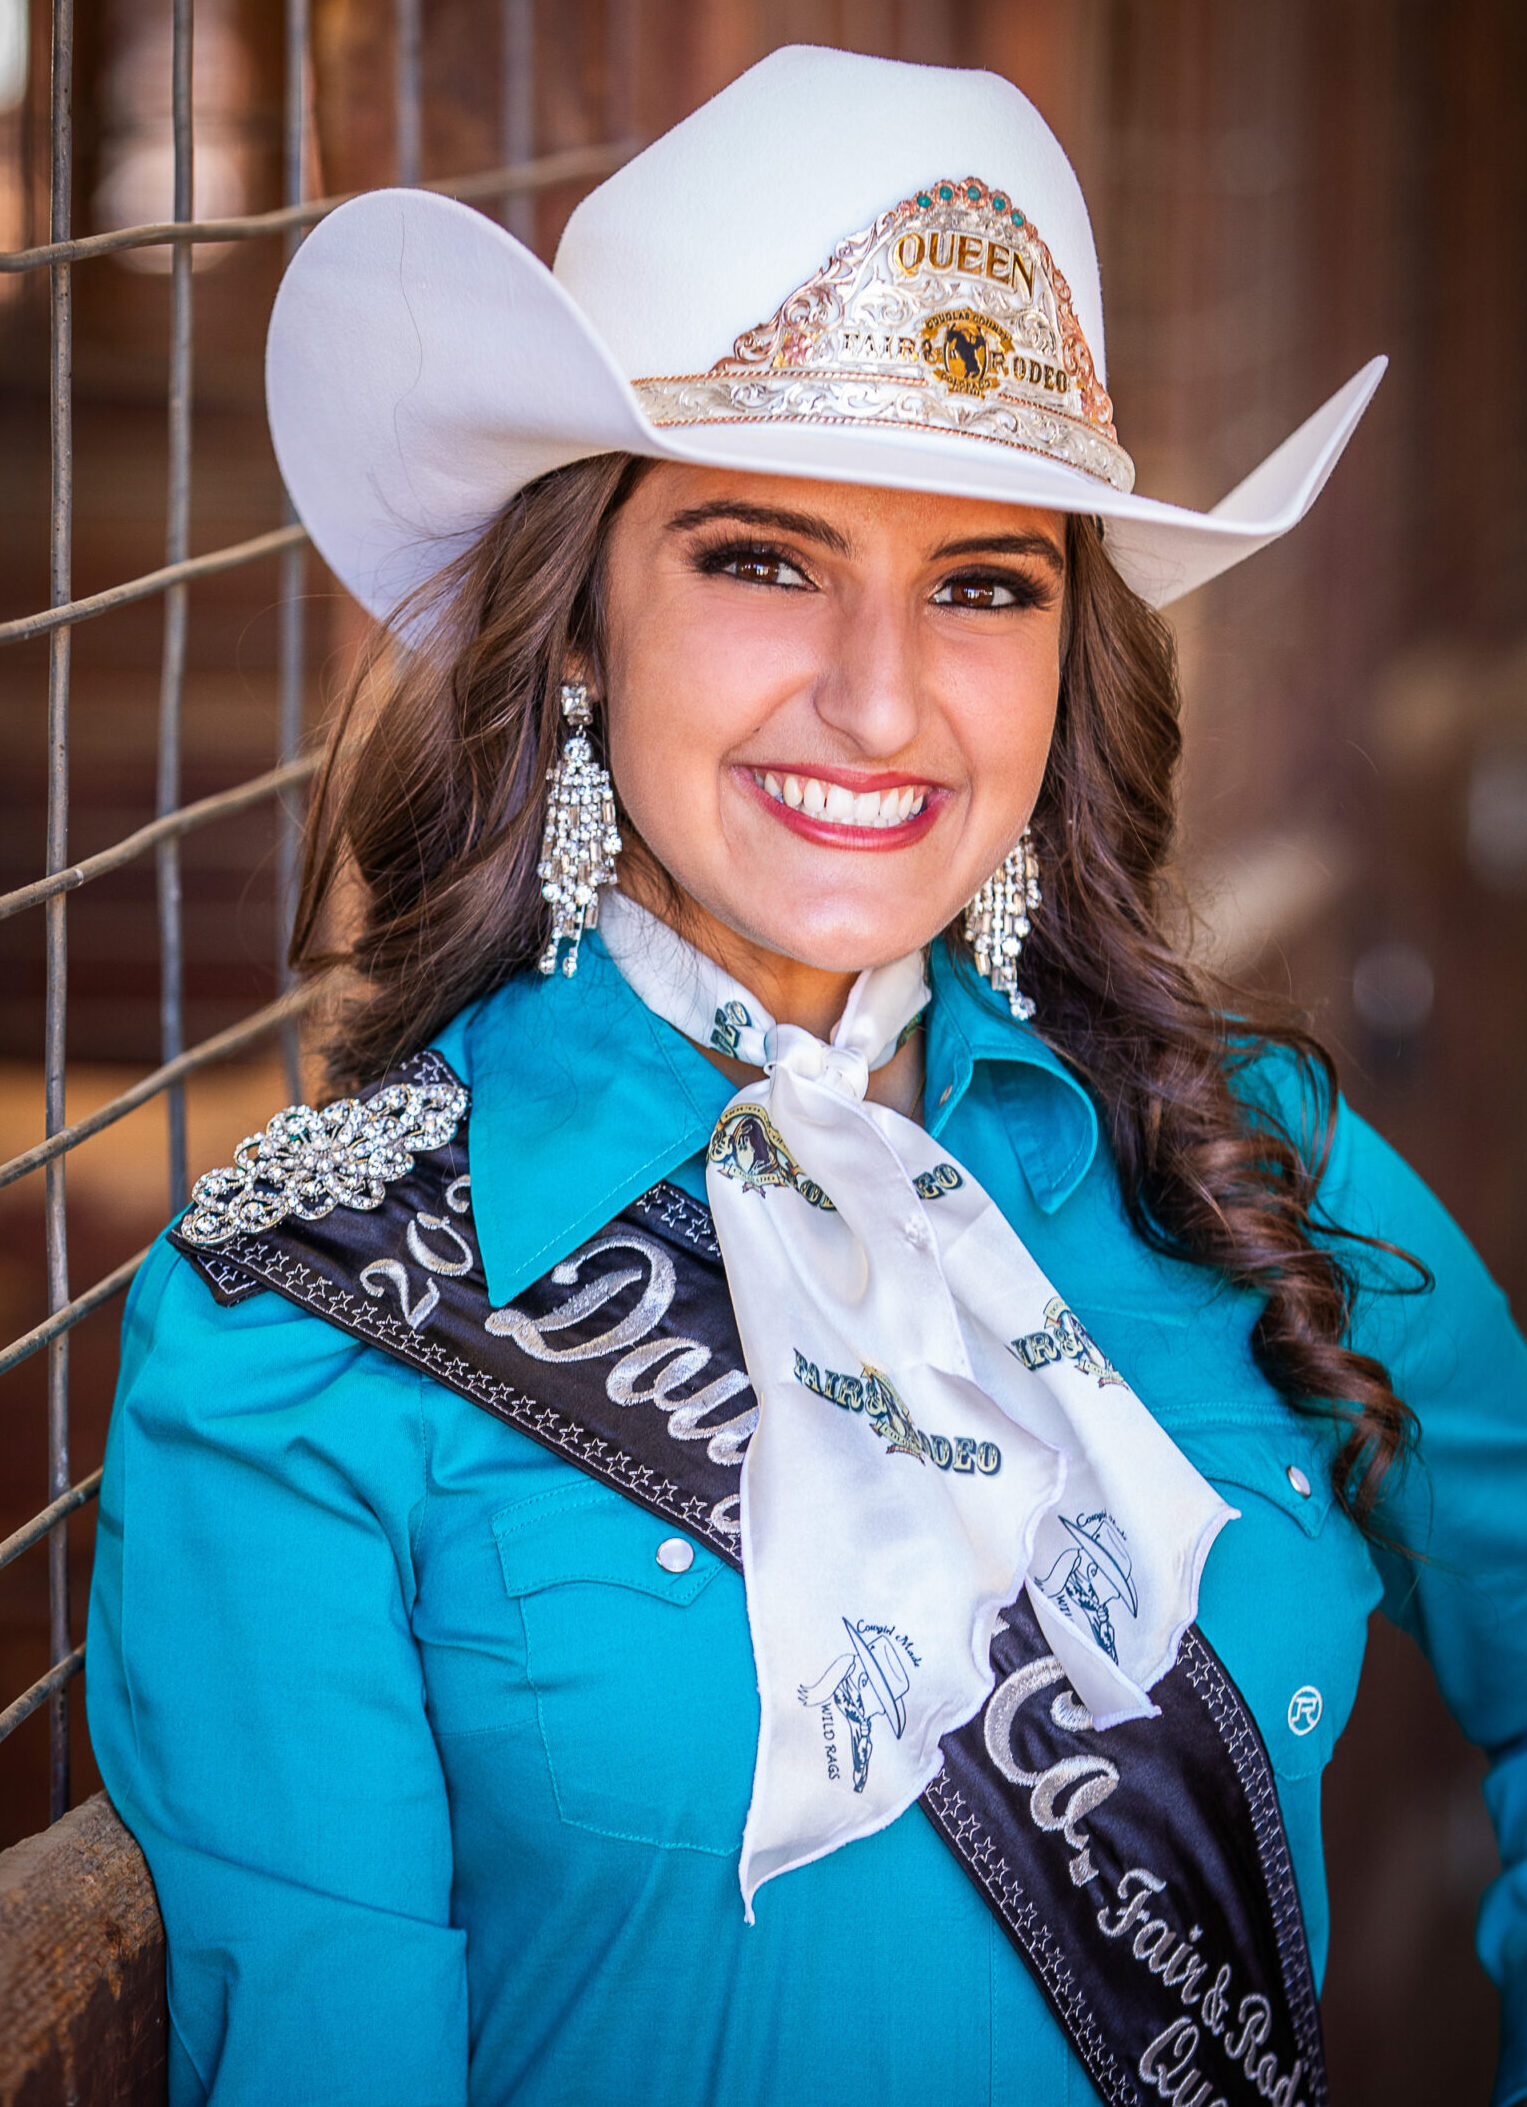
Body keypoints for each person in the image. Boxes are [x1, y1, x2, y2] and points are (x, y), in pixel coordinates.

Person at [85, 44, 1527, 2107]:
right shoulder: (295, 1326)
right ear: (576, 621)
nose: (877, 699)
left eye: (979, 584)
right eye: (759, 558)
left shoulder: (1244, 1170)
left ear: (1063, 651)